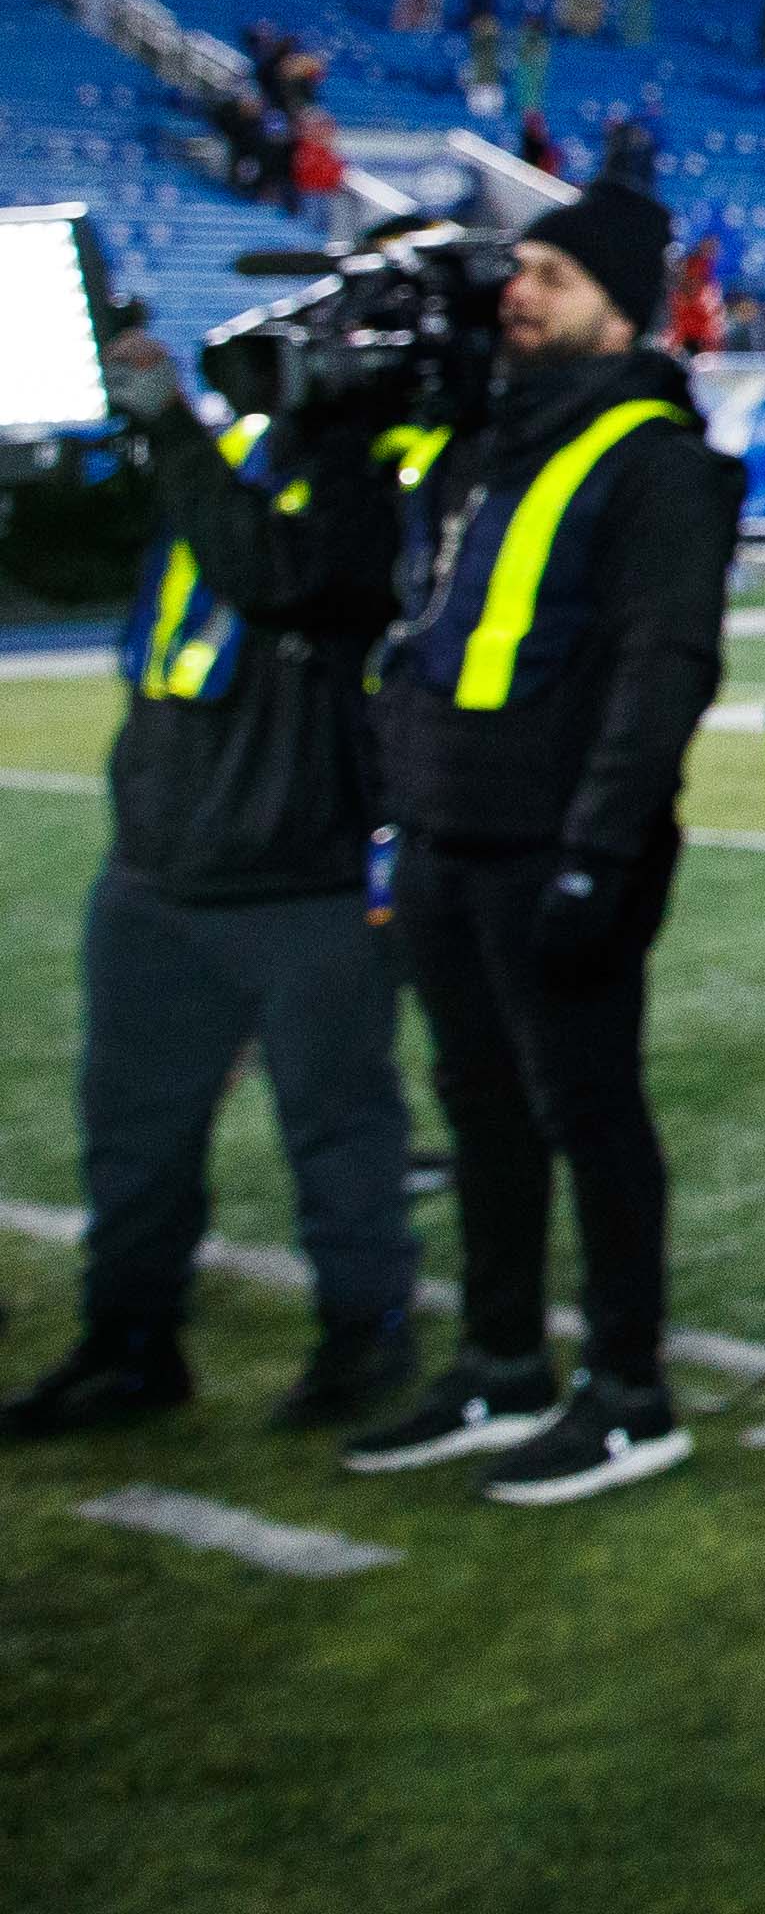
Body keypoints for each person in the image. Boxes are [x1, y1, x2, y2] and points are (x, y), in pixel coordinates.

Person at [347, 184, 740, 1505]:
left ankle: (631, 1390)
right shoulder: (486, 436)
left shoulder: (656, 456)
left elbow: (661, 666)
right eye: (519, 269)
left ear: (619, 304)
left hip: (556, 844)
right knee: (482, 1112)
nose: (521, 292)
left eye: (554, 276)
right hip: (451, 831)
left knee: (589, 1113)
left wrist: (600, 849)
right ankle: (502, 1356)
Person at [1, 323, 414, 1441]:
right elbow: (61, 563)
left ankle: (363, 1335)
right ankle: (128, 1343)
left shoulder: (370, 483)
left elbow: (278, 575)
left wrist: (174, 427)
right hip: (158, 864)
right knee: (131, 1131)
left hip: (303, 871)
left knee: (337, 1128)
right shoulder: (218, 464)